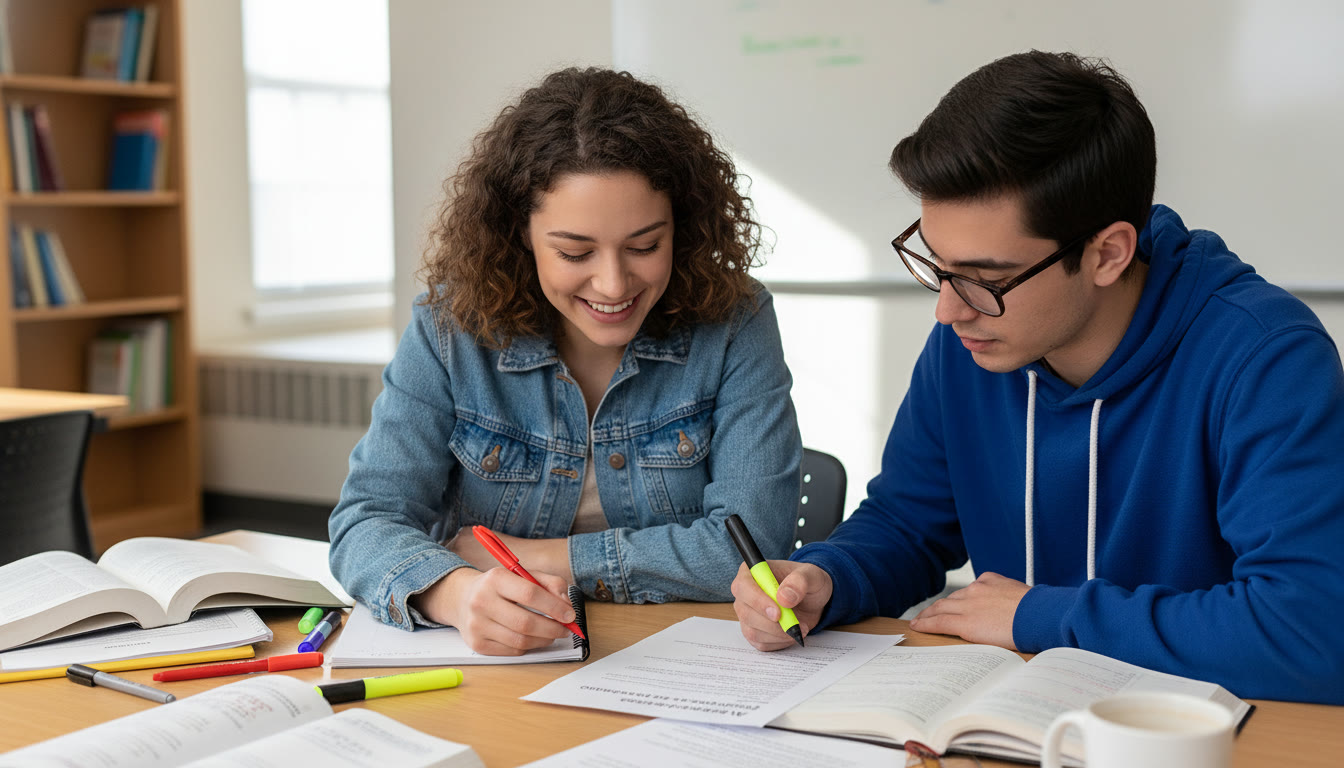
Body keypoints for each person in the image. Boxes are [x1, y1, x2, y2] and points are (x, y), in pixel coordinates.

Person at [732, 50, 1344, 704]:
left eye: (986, 279)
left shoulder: (1266, 359)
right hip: (1018, 720)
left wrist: (1038, 616)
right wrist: (828, 578)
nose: (948, 308)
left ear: (1108, 254)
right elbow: (909, 525)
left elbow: (1311, 633)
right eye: (938, 264)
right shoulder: (972, 341)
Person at [330, 67, 802, 656]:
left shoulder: (735, 320)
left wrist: (540, 558)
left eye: (645, 246)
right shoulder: (452, 327)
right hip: (504, 668)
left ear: (682, 226)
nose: (613, 283)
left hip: (677, 660)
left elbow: (752, 548)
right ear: (521, 235)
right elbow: (366, 520)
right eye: (575, 251)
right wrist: (454, 595)